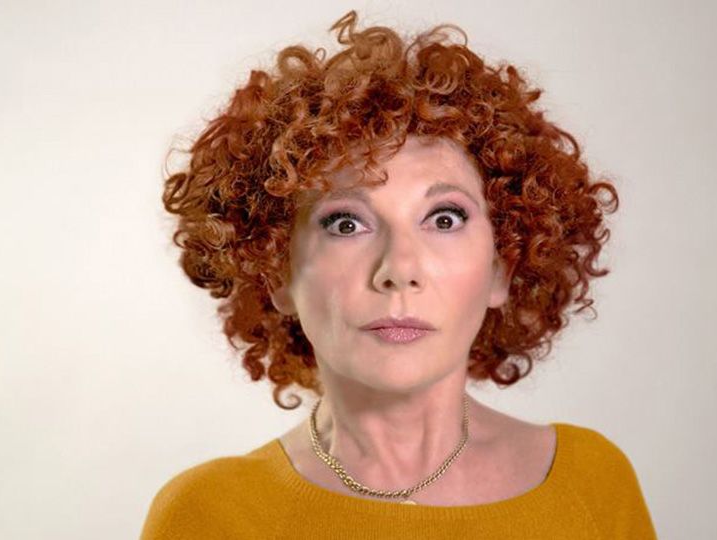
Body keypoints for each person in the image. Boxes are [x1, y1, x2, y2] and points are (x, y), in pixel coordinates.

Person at [140, 10, 656, 539]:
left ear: (502, 266)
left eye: (445, 219)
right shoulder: (208, 516)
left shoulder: (590, 485)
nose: (399, 270)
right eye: (346, 223)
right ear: (276, 271)